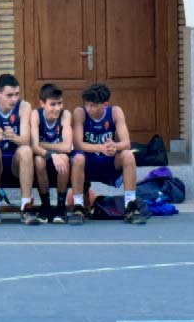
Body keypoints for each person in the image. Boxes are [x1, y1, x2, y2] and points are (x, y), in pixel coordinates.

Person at [69, 82, 147, 225]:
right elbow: (78, 144)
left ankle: (130, 205)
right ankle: (78, 206)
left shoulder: (115, 112)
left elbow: (126, 143)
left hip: (107, 160)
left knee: (128, 155)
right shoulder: (80, 113)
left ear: (105, 104)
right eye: (87, 104)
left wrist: (114, 146)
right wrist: (100, 147)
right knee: (78, 158)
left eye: (93, 105)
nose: (89, 108)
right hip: (88, 160)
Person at [0, 73, 41, 225]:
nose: (14, 99)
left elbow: (26, 140)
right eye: (9, 95)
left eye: (17, 94)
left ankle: (26, 206)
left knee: (26, 150)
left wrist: (10, 136)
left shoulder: (24, 106)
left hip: (16, 163)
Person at [30, 83, 72, 224]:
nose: (57, 108)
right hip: (45, 157)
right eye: (52, 104)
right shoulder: (35, 114)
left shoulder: (65, 115)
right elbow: (33, 147)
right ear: (42, 104)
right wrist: (52, 153)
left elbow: (67, 147)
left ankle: (61, 206)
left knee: (65, 158)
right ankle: (46, 205)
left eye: (60, 103)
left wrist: (43, 146)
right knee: (38, 161)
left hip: (60, 158)